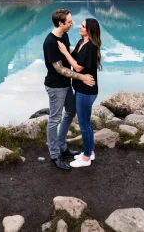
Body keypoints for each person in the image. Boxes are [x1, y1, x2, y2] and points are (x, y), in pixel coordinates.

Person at [43, 9, 95, 171]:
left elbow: (68, 54)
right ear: (61, 23)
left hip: (66, 84)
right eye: (70, 21)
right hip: (55, 86)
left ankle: (62, 147)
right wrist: (83, 77)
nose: (73, 23)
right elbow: (60, 69)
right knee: (54, 119)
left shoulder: (64, 36)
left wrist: (84, 53)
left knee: (71, 111)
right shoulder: (50, 42)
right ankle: (54, 154)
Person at [57, 18, 101, 168]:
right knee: (86, 123)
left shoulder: (90, 47)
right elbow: (74, 55)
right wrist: (64, 49)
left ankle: (86, 158)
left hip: (86, 91)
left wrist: (64, 51)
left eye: (82, 26)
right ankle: (91, 152)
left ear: (89, 30)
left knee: (84, 124)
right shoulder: (82, 43)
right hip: (83, 90)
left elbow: (78, 67)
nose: (79, 28)